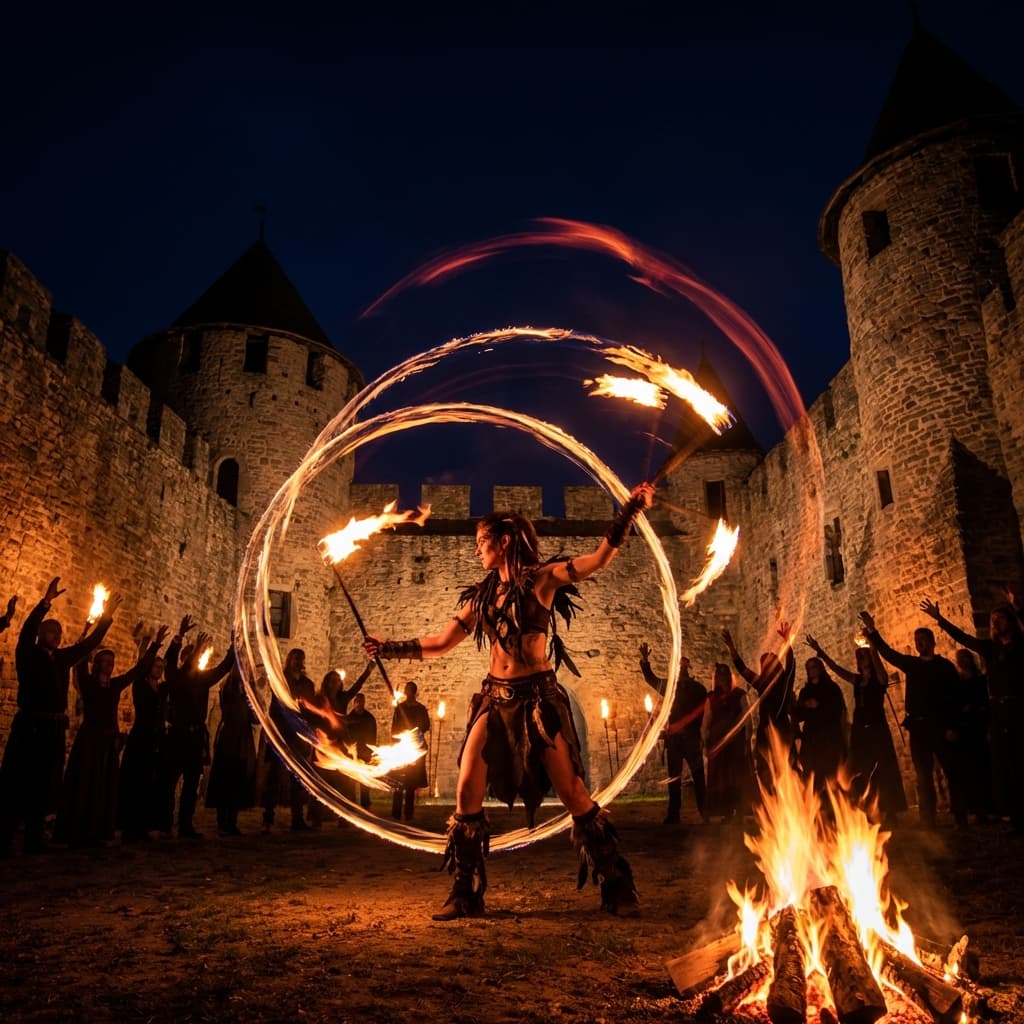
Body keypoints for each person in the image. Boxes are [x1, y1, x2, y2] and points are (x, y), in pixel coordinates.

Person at [364, 482, 654, 920]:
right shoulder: (484, 597)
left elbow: (595, 561)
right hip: (494, 700)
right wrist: (388, 647)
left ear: (503, 542)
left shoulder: (543, 580)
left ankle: (616, 884)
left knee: (573, 792)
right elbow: (442, 643)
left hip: (538, 701)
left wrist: (628, 512)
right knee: (465, 790)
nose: (477, 551)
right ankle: (465, 893)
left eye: (482, 543)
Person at [0, 577, 118, 855]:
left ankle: (34, 834)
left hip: (53, 728)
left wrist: (107, 619)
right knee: (20, 779)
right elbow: (27, 631)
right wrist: (45, 603)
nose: (58, 637)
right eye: (53, 633)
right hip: (30, 724)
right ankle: (4, 837)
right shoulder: (28, 653)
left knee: (44, 781)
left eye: (60, 633)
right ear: (43, 634)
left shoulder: (62, 658)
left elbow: (87, 647)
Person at [55, 627, 167, 847]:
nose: (110, 665)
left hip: (108, 741)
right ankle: (78, 831)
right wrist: (87, 631)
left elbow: (138, 670)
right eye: (105, 661)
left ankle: (98, 831)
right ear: (97, 664)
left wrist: (155, 646)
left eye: (111, 662)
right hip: (90, 740)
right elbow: (79, 660)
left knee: (103, 788)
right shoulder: (88, 684)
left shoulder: (115, 686)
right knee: (85, 785)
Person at [919, 597, 1020, 828]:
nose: (995, 623)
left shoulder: (1019, 648)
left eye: (1000, 619)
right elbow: (962, 638)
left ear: (1010, 622)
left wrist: (1018, 608)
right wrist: (939, 619)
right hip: (999, 712)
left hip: (1017, 708)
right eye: (992, 620)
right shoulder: (991, 648)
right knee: (1004, 764)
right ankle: (1015, 816)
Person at [860, 609, 965, 829]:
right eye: (917, 641)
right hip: (919, 728)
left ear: (932, 642)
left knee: (953, 772)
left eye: (923, 640)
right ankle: (929, 820)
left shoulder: (944, 667)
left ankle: (960, 816)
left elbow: (957, 698)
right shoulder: (912, 665)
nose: (920, 643)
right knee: (923, 777)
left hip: (941, 726)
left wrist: (953, 726)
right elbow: (889, 653)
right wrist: (872, 632)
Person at [806, 635, 907, 823]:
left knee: (883, 768)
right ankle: (867, 808)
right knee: (861, 770)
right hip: (861, 730)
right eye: (859, 658)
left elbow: (882, 675)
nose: (861, 660)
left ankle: (890, 809)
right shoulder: (857, 680)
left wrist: (873, 649)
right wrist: (821, 653)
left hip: (877, 727)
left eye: (863, 657)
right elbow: (836, 669)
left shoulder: (878, 681)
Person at [163, 619, 234, 838]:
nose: (196, 660)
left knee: (192, 783)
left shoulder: (203, 680)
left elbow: (224, 667)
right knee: (169, 782)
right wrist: (181, 637)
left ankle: (185, 824)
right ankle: (165, 823)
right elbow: (170, 661)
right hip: (178, 735)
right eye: (191, 658)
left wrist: (234, 644)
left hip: (195, 738)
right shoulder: (176, 680)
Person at [721, 622, 796, 796]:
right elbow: (742, 669)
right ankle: (769, 803)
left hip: (782, 730)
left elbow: (791, 665)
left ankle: (786, 802)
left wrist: (787, 642)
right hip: (765, 732)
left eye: (769, 662)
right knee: (765, 770)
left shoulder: (785, 681)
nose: (766, 666)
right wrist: (732, 648)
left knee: (784, 770)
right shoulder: (761, 684)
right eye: (764, 663)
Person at [638, 641, 707, 825]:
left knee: (698, 777)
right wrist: (645, 660)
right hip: (675, 740)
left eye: (684, 665)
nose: (681, 668)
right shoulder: (670, 687)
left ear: (688, 668)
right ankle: (674, 814)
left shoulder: (698, 689)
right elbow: (651, 679)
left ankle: (705, 812)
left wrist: (700, 735)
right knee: (674, 779)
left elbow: (702, 714)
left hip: (691, 739)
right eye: (679, 665)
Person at [119, 644, 172, 841]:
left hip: (158, 738)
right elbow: (139, 669)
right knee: (136, 781)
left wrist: (176, 645)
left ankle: (150, 823)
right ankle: (132, 825)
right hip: (142, 737)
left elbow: (175, 674)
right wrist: (155, 645)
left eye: (161, 667)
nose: (159, 669)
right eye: (156, 666)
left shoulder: (164, 688)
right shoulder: (140, 685)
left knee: (154, 782)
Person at [261, 647, 316, 832]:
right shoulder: (281, 680)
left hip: (299, 738)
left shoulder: (308, 684)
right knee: (275, 778)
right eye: (294, 658)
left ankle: (297, 819)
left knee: (298, 779)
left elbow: (310, 711)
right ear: (289, 660)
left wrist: (309, 732)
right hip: (282, 735)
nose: (298, 661)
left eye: (300, 658)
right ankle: (268, 819)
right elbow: (275, 706)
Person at [205, 664, 258, 836]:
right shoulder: (228, 690)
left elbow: (255, 719)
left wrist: (253, 696)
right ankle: (222, 821)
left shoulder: (247, 695)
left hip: (242, 741)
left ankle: (232, 821)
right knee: (225, 778)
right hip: (229, 740)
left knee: (238, 780)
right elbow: (228, 708)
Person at [703, 663, 754, 823]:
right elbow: (706, 721)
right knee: (723, 779)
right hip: (719, 745)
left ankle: (739, 810)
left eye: (725, 676)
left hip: (736, 744)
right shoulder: (711, 697)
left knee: (737, 777)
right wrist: (705, 741)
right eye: (719, 676)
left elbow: (747, 719)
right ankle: (726, 812)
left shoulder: (739, 695)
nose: (722, 679)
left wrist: (747, 740)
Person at [793, 656, 848, 794]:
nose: (811, 671)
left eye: (813, 667)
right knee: (813, 778)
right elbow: (799, 715)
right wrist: (803, 706)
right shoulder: (805, 692)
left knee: (831, 776)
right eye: (808, 668)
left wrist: (819, 706)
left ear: (820, 668)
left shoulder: (831, 688)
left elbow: (838, 710)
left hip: (829, 739)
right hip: (811, 740)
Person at [953, 649, 993, 825]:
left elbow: (985, 699)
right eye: (960, 659)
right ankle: (976, 808)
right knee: (970, 771)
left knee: (984, 767)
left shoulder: (980, 679)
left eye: (966, 658)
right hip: (965, 730)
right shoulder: (958, 682)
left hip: (979, 727)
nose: (963, 661)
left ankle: (989, 807)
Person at [389, 681, 431, 821]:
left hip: (415, 747)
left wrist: (414, 731)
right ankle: (396, 812)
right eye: (406, 689)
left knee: (411, 783)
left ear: (413, 692)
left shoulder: (420, 709)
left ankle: (408, 812)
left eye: (409, 689)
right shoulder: (400, 708)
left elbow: (425, 725)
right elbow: (395, 728)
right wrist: (400, 736)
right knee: (399, 781)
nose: (407, 692)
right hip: (402, 746)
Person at [346, 692, 377, 810]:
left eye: (361, 701)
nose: (359, 704)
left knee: (364, 780)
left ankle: (365, 803)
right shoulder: (349, 718)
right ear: (354, 703)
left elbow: (373, 736)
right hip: (353, 753)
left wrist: (371, 751)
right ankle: (352, 803)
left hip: (365, 753)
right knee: (352, 780)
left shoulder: (369, 718)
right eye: (357, 701)